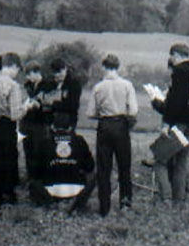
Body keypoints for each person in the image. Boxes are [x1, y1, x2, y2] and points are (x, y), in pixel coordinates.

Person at [87, 53, 139, 216]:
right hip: (121, 125)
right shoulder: (126, 85)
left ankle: (105, 207)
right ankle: (125, 203)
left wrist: (102, 114)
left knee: (104, 168)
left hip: (104, 125)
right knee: (124, 165)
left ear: (103, 67)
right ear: (118, 67)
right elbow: (134, 111)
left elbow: (90, 113)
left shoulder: (98, 87)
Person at [150, 43, 189, 203]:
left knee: (159, 160)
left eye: (172, 56)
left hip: (178, 123)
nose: (171, 59)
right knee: (181, 163)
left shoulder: (179, 72)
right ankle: (178, 201)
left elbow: (175, 102)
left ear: (176, 55)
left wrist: (166, 122)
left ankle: (165, 198)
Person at [0, 52, 30, 215]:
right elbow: (16, 114)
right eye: (17, 69)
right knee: (6, 164)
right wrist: (27, 107)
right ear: (13, 66)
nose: (17, 73)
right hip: (5, 127)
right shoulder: (13, 85)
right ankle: (4, 200)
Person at [28, 112, 96, 214]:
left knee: (33, 182)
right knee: (94, 177)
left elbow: (35, 172)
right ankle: (76, 203)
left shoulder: (44, 142)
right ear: (70, 128)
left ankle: (50, 203)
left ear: (53, 128)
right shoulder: (79, 141)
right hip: (76, 189)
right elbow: (90, 167)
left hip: (50, 190)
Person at [20, 61, 53, 181]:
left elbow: (52, 105)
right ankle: (31, 178)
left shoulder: (49, 86)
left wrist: (40, 105)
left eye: (29, 75)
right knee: (27, 150)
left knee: (39, 150)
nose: (27, 78)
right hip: (26, 122)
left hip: (41, 123)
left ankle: (41, 179)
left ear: (36, 72)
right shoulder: (27, 85)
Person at [46, 58, 82, 130]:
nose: (58, 75)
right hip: (52, 122)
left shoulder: (74, 84)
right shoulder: (51, 84)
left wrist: (53, 103)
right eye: (55, 73)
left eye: (60, 72)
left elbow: (73, 105)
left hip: (67, 122)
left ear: (65, 69)